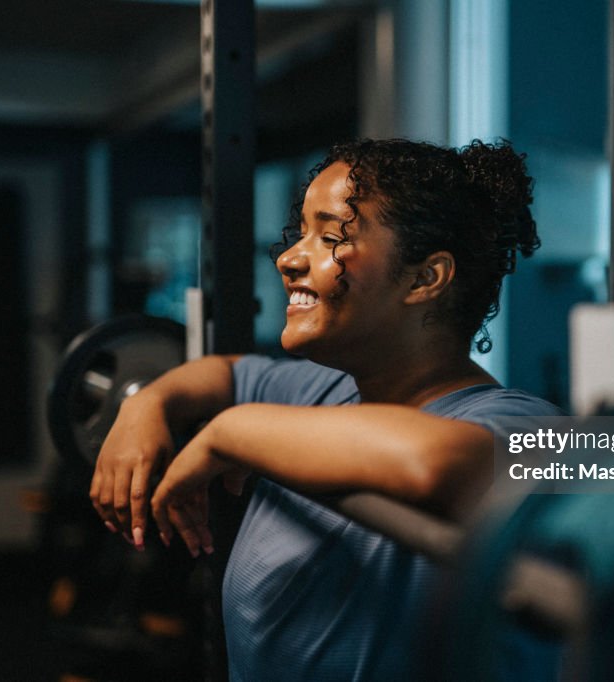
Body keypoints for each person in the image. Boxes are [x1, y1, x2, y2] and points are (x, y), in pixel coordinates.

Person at [89, 138, 563, 680]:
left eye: (332, 235)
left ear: (425, 278)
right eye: (301, 234)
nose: (288, 258)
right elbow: (224, 373)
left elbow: (441, 462)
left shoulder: (515, 419)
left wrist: (232, 431)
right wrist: (147, 405)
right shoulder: (326, 388)